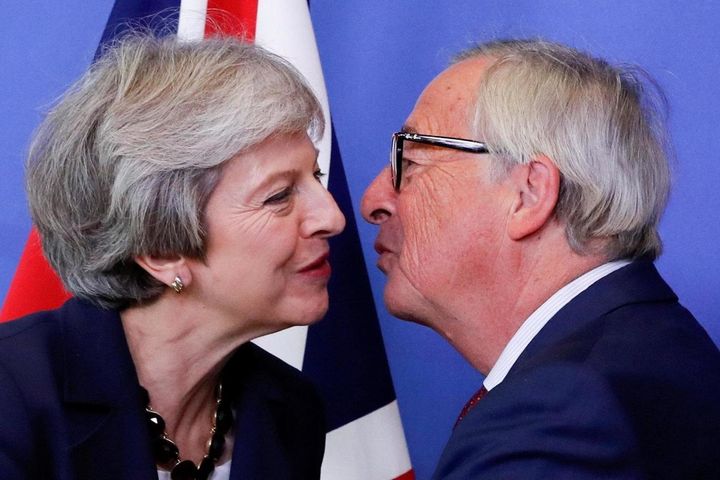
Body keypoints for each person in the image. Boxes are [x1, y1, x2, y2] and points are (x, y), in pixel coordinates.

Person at [361, 39, 720, 479]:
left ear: (529, 194)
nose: (372, 200)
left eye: (410, 159)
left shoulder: (558, 417)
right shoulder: (648, 353)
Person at [0, 32, 345, 480]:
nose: (331, 216)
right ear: (162, 250)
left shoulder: (289, 411)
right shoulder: (11, 398)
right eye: (279, 195)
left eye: (315, 176)